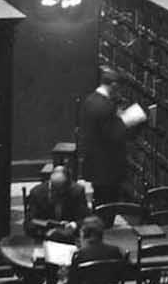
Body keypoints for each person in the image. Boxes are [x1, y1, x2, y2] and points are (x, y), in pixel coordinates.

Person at [78, 67, 145, 204]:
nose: (119, 92)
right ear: (113, 85)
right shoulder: (105, 105)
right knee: (108, 202)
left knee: (100, 199)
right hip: (107, 165)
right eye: (119, 88)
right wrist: (134, 123)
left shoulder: (90, 100)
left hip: (94, 161)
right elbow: (115, 135)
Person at [25, 166, 90, 241]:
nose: (59, 193)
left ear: (69, 184)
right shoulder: (37, 192)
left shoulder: (78, 191)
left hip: (71, 238)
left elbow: (86, 218)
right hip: (45, 237)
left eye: (62, 189)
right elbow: (29, 223)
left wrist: (73, 226)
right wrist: (47, 232)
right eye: (56, 190)